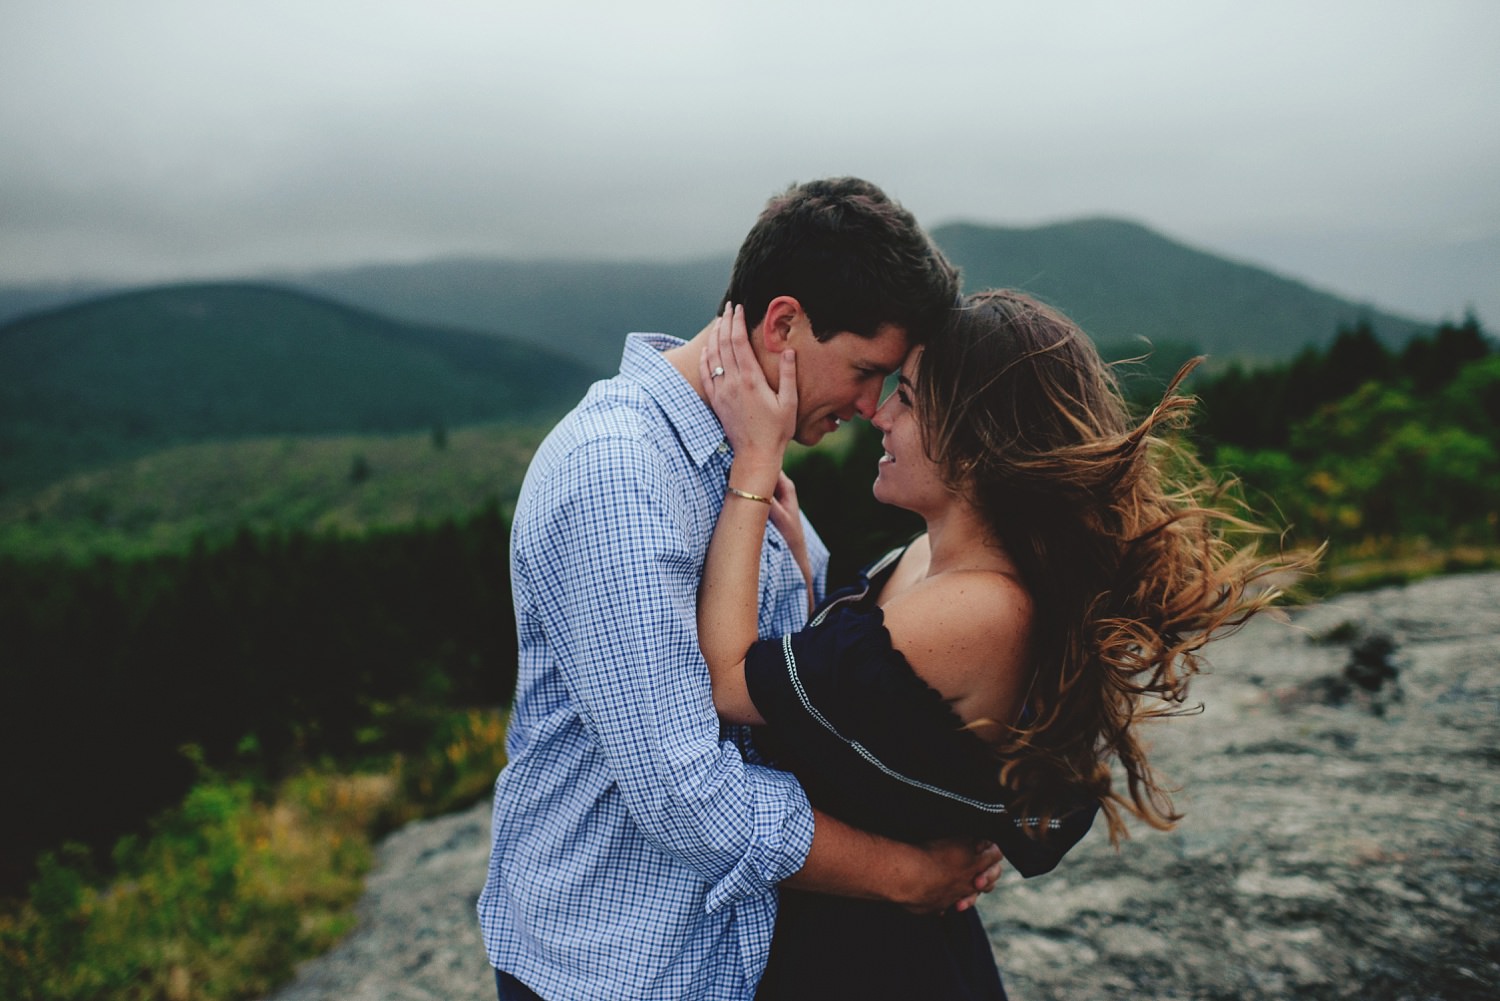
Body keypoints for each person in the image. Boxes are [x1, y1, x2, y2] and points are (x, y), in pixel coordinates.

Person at [696, 289, 1312, 999]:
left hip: (875, 966)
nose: (881, 413)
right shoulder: (934, 556)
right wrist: (805, 566)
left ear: (976, 437)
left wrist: (753, 461)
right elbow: (861, 698)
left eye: (912, 399)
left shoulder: (982, 607)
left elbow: (734, 685)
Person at [477, 178, 1004, 1001]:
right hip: (623, 963)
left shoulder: (745, 451)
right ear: (783, 323)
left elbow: (818, 656)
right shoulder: (619, 474)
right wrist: (907, 875)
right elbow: (684, 793)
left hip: (733, 950)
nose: (873, 406)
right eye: (866, 371)